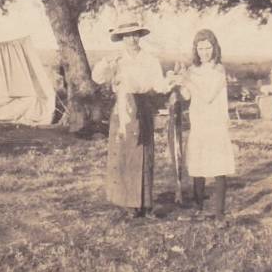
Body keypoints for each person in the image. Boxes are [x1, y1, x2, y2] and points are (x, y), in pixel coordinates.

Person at [91, 17, 167, 218]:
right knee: (125, 154)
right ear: (121, 38)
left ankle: (146, 203)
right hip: (123, 107)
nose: (131, 39)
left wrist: (171, 83)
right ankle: (128, 204)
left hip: (143, 106)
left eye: (135, 35)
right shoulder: (117, 60)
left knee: (144, 154)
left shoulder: (150, 60)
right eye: (127, 36)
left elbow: (159, 85)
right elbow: (97, 78)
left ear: (140, 36)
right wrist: (105, 63)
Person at [168, 29, 236, 220]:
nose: (204, 52)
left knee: (218, 166)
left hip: (214, 123)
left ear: (215, 48)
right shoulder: (192, 70)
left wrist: (188, 81)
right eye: (200, 48)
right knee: (199, 165)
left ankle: (219, 212)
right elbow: (188, 95)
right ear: (195, 50)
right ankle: (199, 208)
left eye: (208, 48)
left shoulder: (219, 70)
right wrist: (180, 80)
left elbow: (207, 96)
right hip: (198, 121)